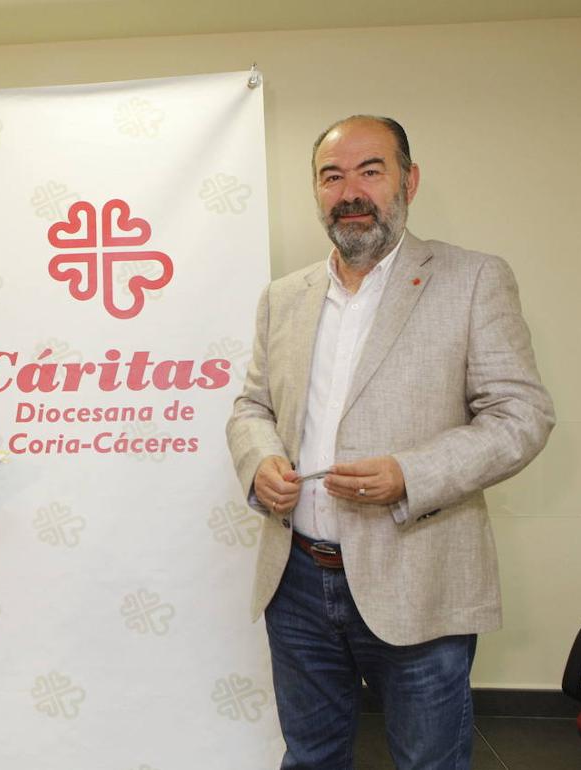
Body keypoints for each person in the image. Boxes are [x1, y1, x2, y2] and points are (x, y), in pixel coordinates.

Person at [226, 115, 555, 769]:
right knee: (311, 757)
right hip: (296, 579)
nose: (350, 191)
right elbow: (252, 407)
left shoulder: (473, 279)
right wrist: (259, 459)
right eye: (332, 176)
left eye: (370, 171)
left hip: (419, 574)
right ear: (316, 191)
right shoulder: (282, 298)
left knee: (429, 760)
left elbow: (522, 414)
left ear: (409, 180)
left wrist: (412, 474)